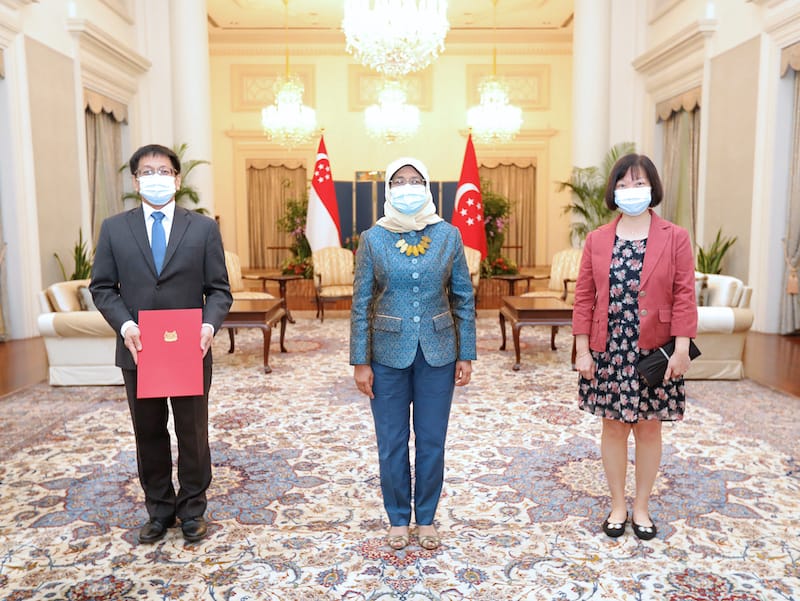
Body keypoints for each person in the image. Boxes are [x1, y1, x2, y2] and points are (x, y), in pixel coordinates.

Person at [90, 144, 232, 544]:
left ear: (177, 178)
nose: (156, 177)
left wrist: (208, 326)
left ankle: (192, 509)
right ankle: (159, 509)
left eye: (164, 170)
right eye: (147, 171)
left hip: (190, 349)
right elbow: (102, 287)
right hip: (139, 351)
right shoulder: (115, 228)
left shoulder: (202, 228)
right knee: (148, 431)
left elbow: (219, 290)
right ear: (135, 181)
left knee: (192, 432)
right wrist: (125, 325)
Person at [350, 157, 476, 551]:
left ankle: (427, 518)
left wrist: (466, 353)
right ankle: (398, 518)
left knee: (432, 440)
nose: (408, 187)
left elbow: (463, 298)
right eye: (400, 181)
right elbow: (361, 303)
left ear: (428, 187)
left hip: (439, 352)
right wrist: (360, 360)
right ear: (389, 189)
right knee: (391, 440)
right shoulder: (373, 238)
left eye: (415, 180)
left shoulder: (448, 235)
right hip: (387, 354)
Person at [572, 153, 697, 541]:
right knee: (612, 428)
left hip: (653, 348)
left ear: (653, 188)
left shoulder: (674, 237)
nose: (631, 190)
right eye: (623, 184)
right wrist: (581, 349)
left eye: (638, 183)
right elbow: (584, 297)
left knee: (648, 428)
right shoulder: (597, 240)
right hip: (608, 347)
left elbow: (683, 295)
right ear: (613, 191)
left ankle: (641, 506)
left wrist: (681, 348)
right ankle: (617, 505)